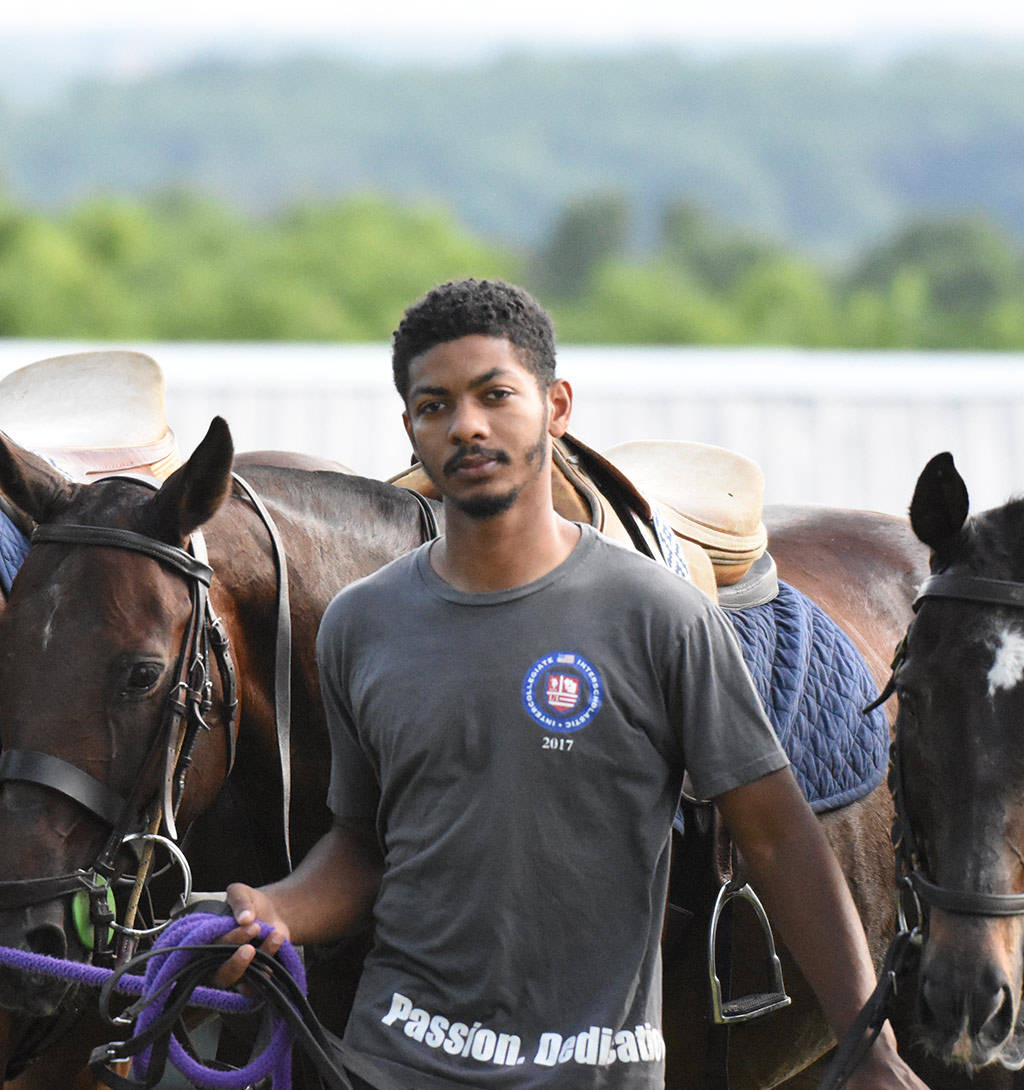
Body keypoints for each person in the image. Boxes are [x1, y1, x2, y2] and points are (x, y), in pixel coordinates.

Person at [219, 279, 926, 1090]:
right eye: (435, 404)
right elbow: (363, 847)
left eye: (495, 395)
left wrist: (865, 1039)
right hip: (394, 1062)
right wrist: (275, 911)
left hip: (595, 1072)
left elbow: (775, 834)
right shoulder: (361, 624)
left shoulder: (659, 615)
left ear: (556, 406)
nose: (467, 425)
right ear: (410, 426)